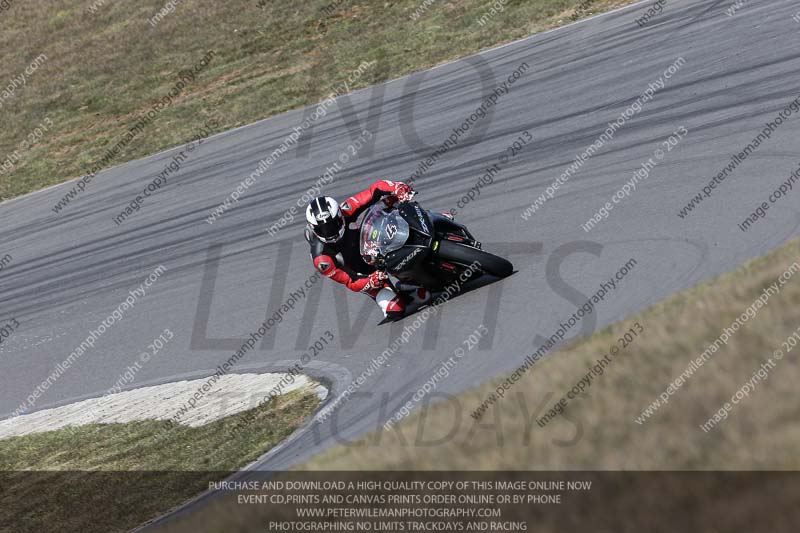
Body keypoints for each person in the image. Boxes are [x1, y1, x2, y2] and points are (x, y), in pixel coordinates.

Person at [304, 180, 429, 320]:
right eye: (323, 229)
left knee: (392, 202)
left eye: (333, 225)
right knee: (395, 309)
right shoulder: (322, 259)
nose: (330, 232)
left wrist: (397, 187)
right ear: (314, 229)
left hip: (376, 243)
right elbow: (351, 282)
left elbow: (374, 190)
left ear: (339, 216)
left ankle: (432, 219)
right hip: (364, 273)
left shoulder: (345, 210)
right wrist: (371, 280)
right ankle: (409, 289)